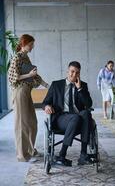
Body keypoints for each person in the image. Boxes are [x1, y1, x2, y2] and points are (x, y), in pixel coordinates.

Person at [42, 61, 93, 166]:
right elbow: (45, 102)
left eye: (77, 73)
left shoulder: (83, 86)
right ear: (67, 71)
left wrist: (79, 89)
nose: (74, 75)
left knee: (86, 114)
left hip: (78, 119)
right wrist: (47, 106)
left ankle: (83, 154)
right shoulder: (56, 85)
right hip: (61, 119)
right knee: (75, 117)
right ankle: (62, 154)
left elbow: (88, 104)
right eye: (72, 71)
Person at [8, 34, 49, 162]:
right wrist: (28, 75)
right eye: (31, 44)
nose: (32, 47)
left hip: (26, 92)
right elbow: (12, 77)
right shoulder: (17, 57)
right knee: (21, 124)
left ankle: (30, 150)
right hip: (20, 92)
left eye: (32, 44)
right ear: (23, 44)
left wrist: (47, 85)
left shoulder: (25, 57)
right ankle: (22, 155)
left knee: (32, 123)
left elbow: (34, 76)